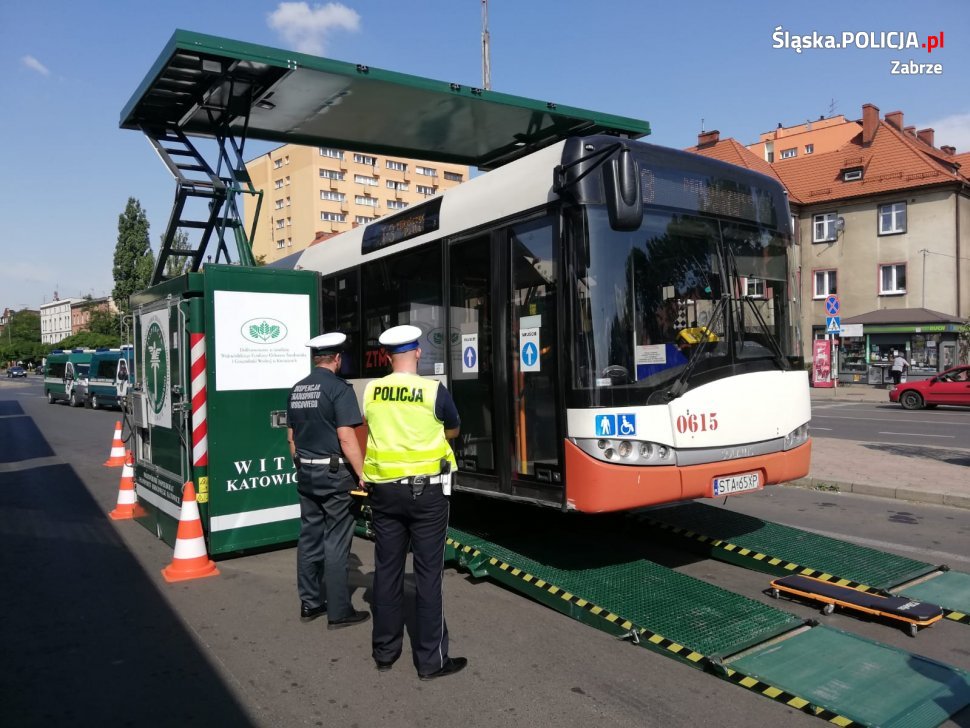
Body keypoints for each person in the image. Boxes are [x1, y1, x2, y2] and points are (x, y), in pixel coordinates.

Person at [362, 324, 466, 680]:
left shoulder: (371, 390)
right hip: (427, 495)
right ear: (418, 353)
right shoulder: (433, 391)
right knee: (427, 575)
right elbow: (452, 428)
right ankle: (430, 661)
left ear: (388, 356)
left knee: (387, 571)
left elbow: (372, 427)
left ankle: (385, 652)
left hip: (384, 493)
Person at [287, 332, 370, 630]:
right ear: (337, 358)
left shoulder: (297, 389)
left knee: (309, 536)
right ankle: (339, 611)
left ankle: (310, 603)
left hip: (306, 473)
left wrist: (301, 464)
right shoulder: (339, 389)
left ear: (315, 358)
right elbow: (347, 437)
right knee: (336, 539)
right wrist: (363, 474)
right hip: (334, 476)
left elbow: (291, 438)